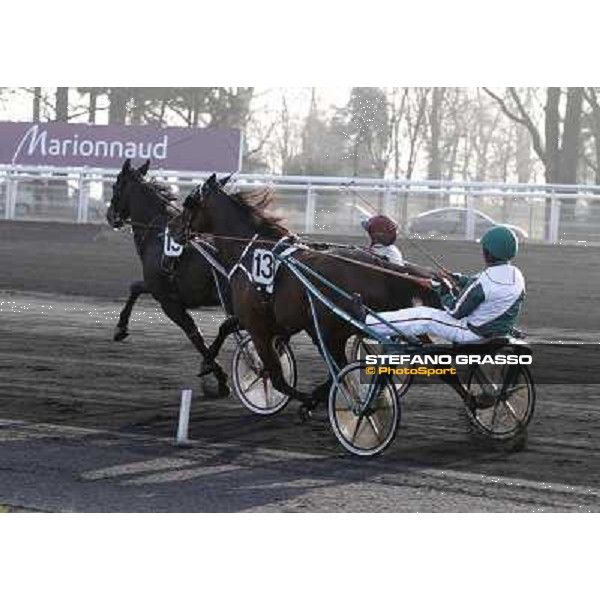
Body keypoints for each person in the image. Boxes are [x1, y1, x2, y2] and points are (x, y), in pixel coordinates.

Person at [365, 226, 525, 344]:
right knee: (425, 314)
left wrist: (438, 288)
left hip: (471, 333)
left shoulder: (485, 282)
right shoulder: (516, 275)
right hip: (496, 329)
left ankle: (367, 322)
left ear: (487, 252)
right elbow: (477, 283)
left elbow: (455, 311)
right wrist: (455, 277)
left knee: (424, 315)